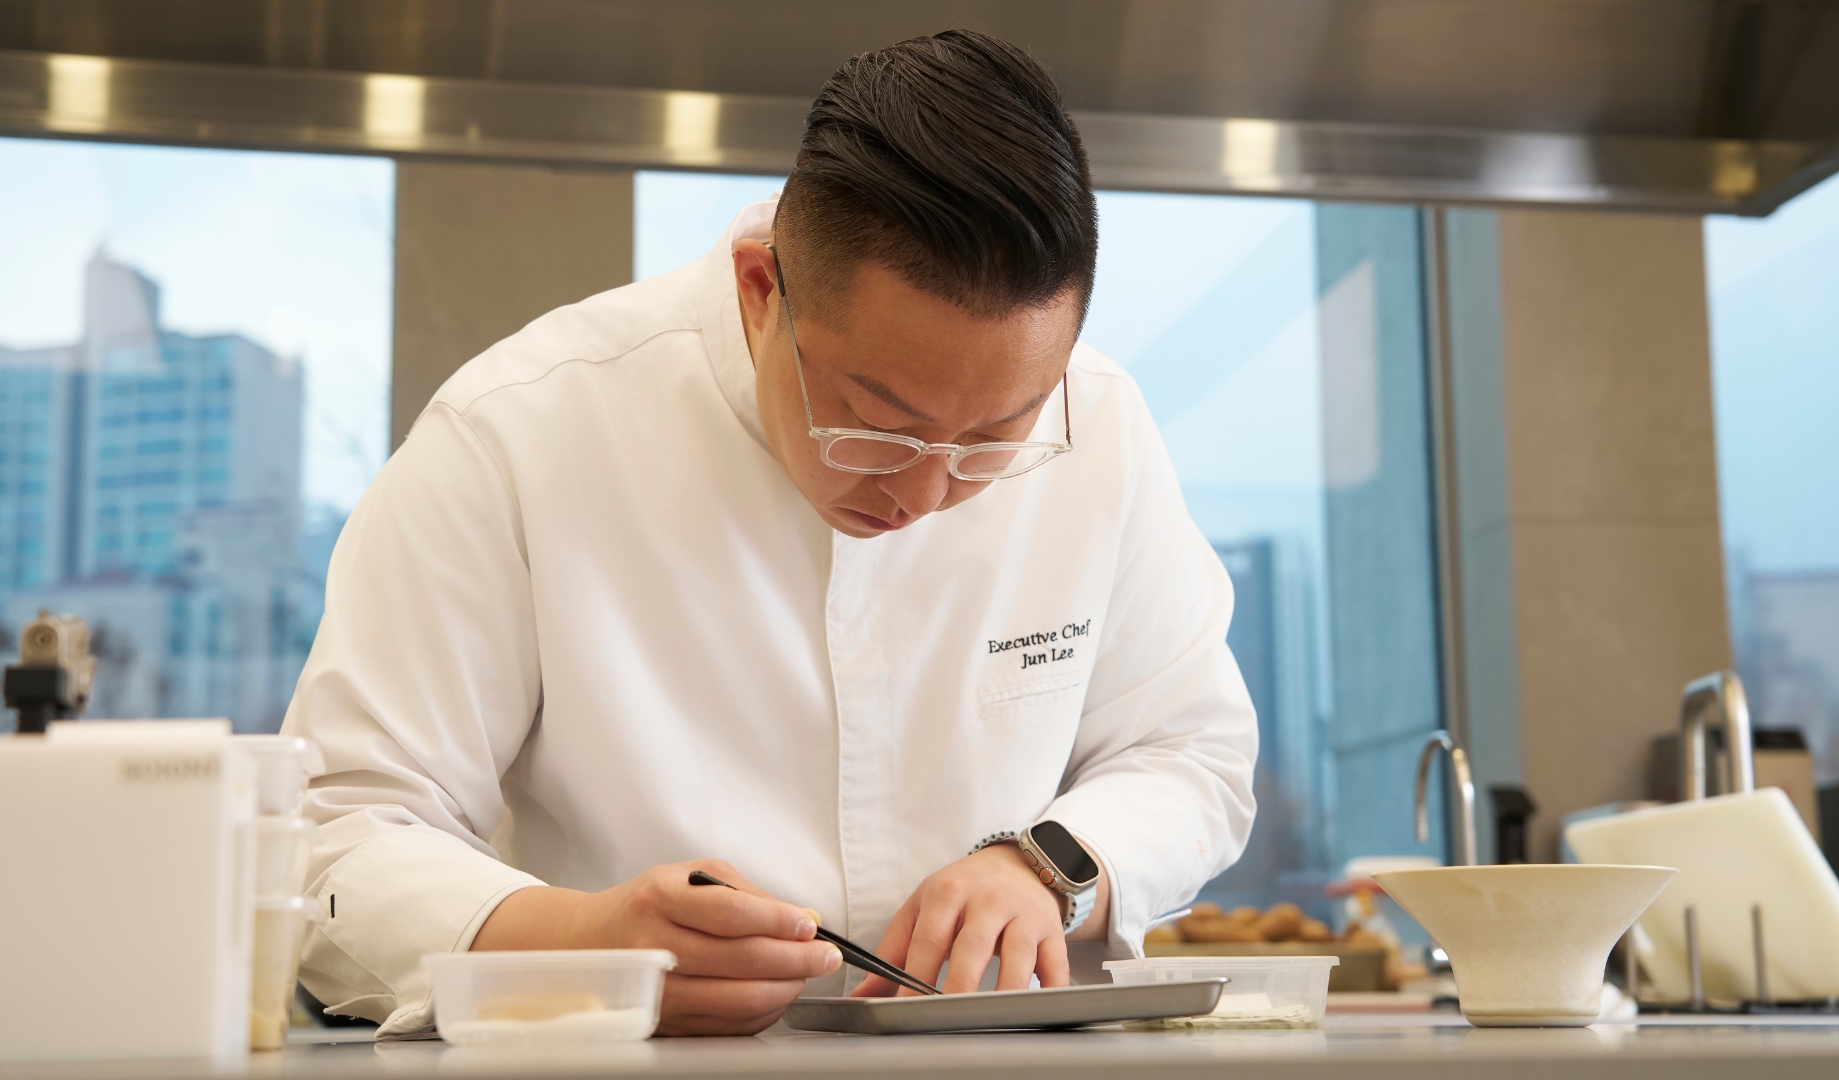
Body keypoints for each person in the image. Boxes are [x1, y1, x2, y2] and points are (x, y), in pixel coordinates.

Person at [286, 29, 1256, 1038]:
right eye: (876, 425)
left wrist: (1049, 864)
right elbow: (334, 839)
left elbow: (1194, 752)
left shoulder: (1099, 422)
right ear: (761, 293)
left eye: (992, 440)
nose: (926, 492)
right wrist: (580, 944)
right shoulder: (518, 429)